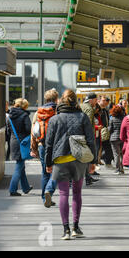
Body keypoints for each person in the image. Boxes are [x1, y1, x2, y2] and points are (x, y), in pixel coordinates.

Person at [45, 89, 97, 240]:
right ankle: (76, 227)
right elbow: (90, 140)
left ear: (61, 100)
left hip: (60, 160)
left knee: (63, 194)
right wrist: (92, 162)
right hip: (79, 160)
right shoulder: (83, 117)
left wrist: (48, 163)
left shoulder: (55, 119)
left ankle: (65, 229)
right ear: (76, 101)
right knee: (77, 193)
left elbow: (49, 144)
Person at [30, 89, 59, 208]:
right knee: (57, 171)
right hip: (56, 146)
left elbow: (33, 132)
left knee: (45, 172)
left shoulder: (38, 112)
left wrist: (34, 148)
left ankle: (44, 198)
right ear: (56, 99)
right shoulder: (57, 111)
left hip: (42, 145)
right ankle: (49, 191)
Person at [7, 98, 33, 196]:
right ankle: (12, 189)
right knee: (19, 167)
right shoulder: (24, 115)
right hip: (22, 143)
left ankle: (25, 187)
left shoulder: (10, 115)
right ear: (24, 106)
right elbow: (28, 129)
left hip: (13, 141)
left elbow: (8, 131)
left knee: (21, 165)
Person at [80, 92, 99, 185]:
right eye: (96, 100)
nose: (96, 102)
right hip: (87, 136)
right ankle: (87, 178)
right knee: (88, 157)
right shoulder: (89, 109)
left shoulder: (81, 106)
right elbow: (87, 124)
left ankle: (87, 177)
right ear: (91, 100)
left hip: (80, 135)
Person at [108, 104, 125, 174]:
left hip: (114, 139)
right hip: (122, 138)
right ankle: (122, 168)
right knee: (122, 154)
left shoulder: (112, 119)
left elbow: (110, 129)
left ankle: (117, 169)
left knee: (116, 154)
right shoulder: (124, 119)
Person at [98, 96, 114, 168]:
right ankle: (97, 162)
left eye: (105, 101)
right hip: (99, 130)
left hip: (105, 131)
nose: (104, 102)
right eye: (103, 100)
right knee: (98, 147)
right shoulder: (97, 110)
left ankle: (107, 162)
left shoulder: (106, 110)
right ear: (99, 100)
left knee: (106, 146)